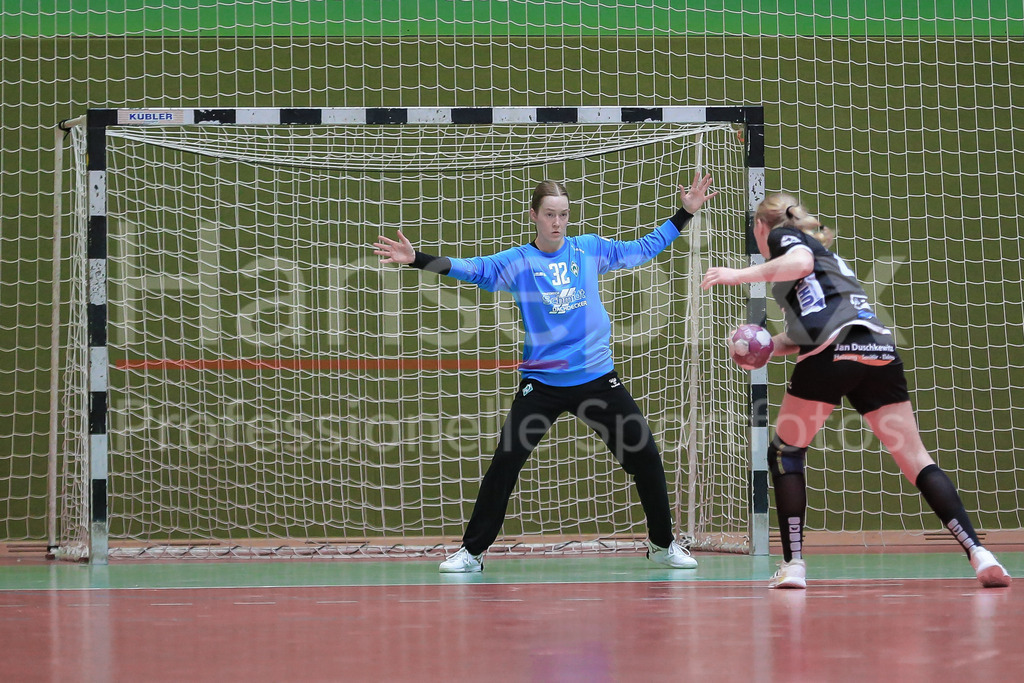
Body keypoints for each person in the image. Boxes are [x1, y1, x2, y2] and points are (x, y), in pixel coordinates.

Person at [373, 173, 718, 573]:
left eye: (564, 214)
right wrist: (417, 258)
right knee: (505, 462)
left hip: (596, 378)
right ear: (534, 215)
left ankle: (662, 544)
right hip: (543, 383)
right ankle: (472, 553)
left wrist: (684, 213)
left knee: (645, 455)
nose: (558, 222)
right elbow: (472, 269)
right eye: (550, 214)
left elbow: (642, 248)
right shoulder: (519, 262)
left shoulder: (589, 249)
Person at [700, 192, 1011, 589]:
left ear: (762, 226)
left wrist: (736, 274)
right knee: (915, 459)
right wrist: (764, 347)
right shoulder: (828, 262)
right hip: (877, 347)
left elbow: (800, 263)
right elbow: (805, 331)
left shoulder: (784, 240)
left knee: (785, 452)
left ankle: (794, 566)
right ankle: (980, 554)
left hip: (834, 351)